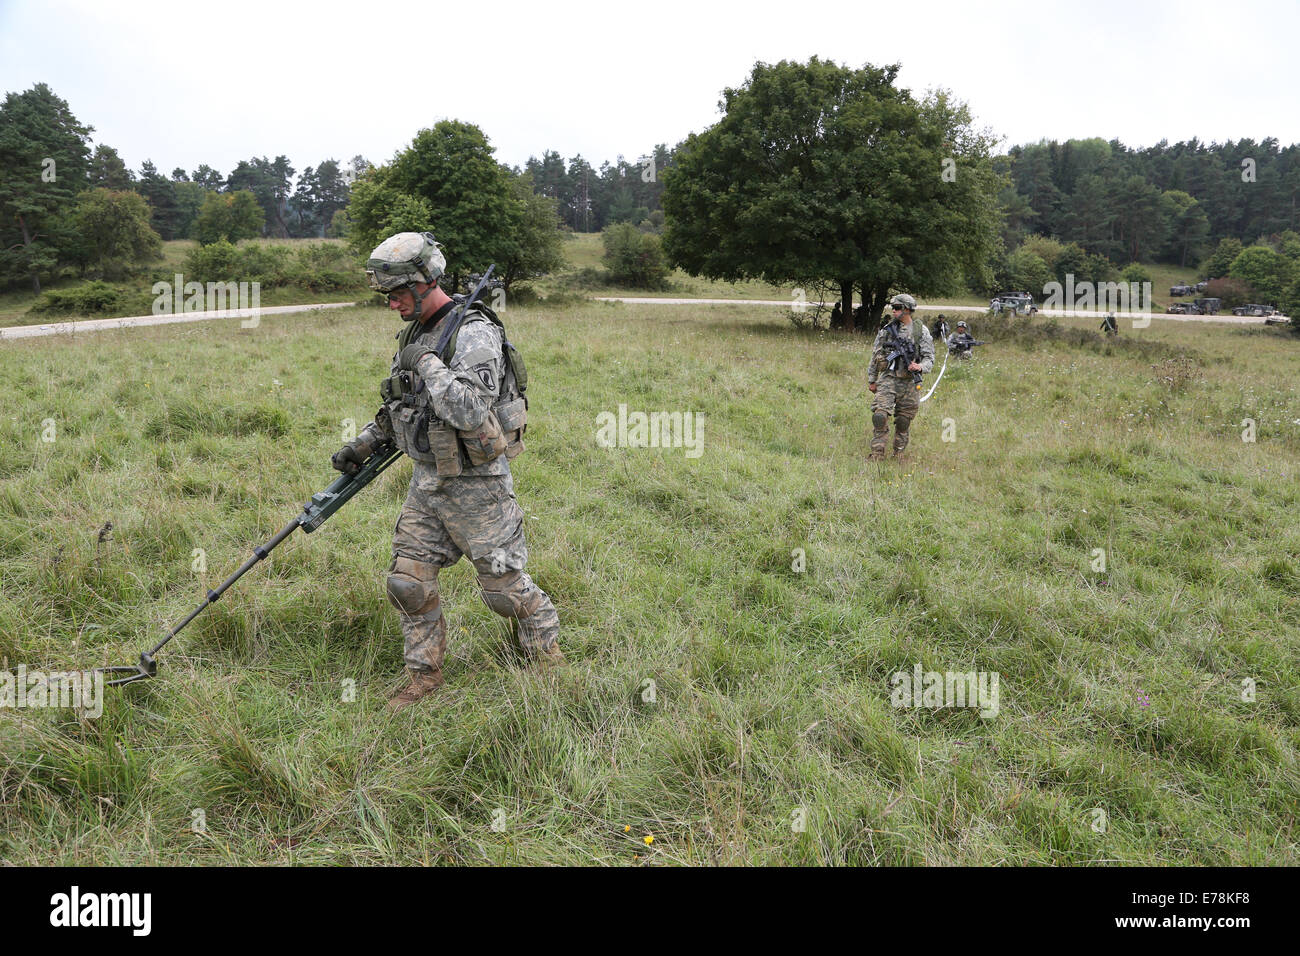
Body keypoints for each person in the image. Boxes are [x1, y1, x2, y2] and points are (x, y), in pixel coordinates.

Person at [331, 232, 562, 711]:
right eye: (387, 295)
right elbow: (402, 401)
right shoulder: (416, 331)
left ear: (423, 282)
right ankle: (424, 675)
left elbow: (472, 412)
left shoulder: (473, 331)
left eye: (396, 293)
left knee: (503, 591)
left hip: (479, 487)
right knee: (408, 582)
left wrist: (431, 364)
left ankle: (546, 659)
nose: (391, 303)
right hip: (428, 482)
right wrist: (367, 442)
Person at [867, 293, 934, 461]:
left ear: (906, 310)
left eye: (897, 308)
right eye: (893, 307)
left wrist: (919, 367)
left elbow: (929, 359)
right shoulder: (887, 330)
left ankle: (898, 454)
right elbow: (876, 355)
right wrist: (872, 379)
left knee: (904, 421)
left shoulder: (921, 331)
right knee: (880, 416)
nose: (893, 310)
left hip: (910, 382)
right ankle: (877, 453)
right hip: (888, 378)